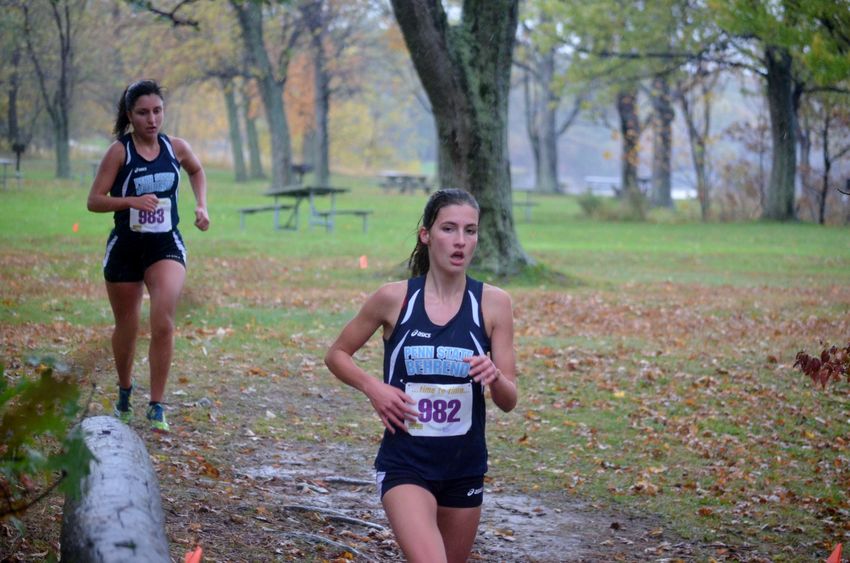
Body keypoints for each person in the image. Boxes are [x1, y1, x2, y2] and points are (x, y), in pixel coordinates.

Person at [325, 188, 517, 562]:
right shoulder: (394, 298)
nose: (461, 241)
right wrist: (373, 388)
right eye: (449, 229)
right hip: (406, 464)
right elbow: (337, 354)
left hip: (465, 466)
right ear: (426, 234)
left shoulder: (494, 303)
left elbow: (509, 401)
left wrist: (494, 377)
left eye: (470, 231)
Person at [87, 79, 209, 433]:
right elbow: (94, 200)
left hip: (165, 244)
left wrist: (201, 205)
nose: (152, 119)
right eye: (143, 113)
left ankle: (156, 405)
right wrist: (130, 202)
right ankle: (125, 390)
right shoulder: (119, 152)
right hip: (126, 246)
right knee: (128, 326)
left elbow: (197, 170)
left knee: (163, 320)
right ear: (130, 115)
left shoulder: (176, 147)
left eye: (157, 111)